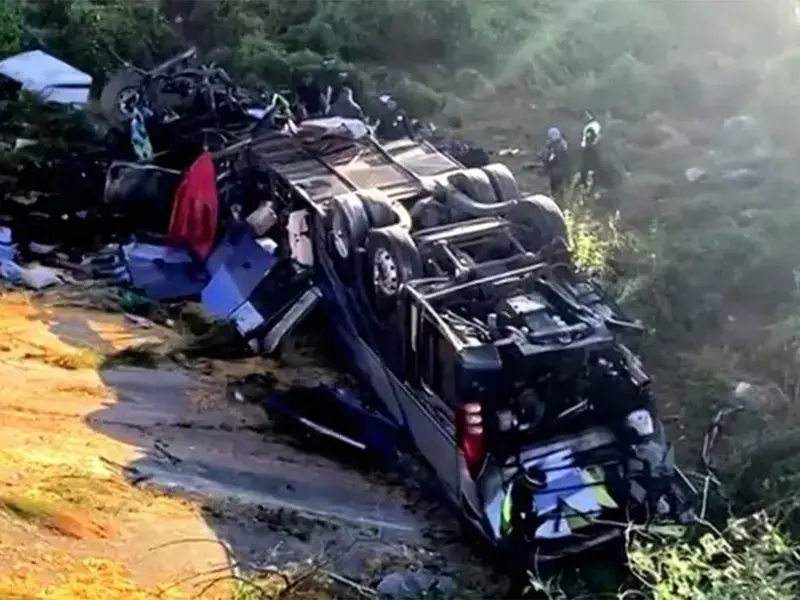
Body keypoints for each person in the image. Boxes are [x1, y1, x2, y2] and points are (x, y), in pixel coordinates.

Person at [542, 126, 570, 197]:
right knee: (559, 188)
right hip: (560, 170)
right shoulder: (562, 143)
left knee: (556, 188)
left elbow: (551, 159)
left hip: (557, 170)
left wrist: (547, 164)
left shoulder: (558, 146)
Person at [580, 112, 602, 189]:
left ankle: (585, 183)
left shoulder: (591, 127)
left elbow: (589, 139)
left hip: (590, 149)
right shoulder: (596, 125)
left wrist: (587, 146)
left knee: (587, 166)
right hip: (595, 148)